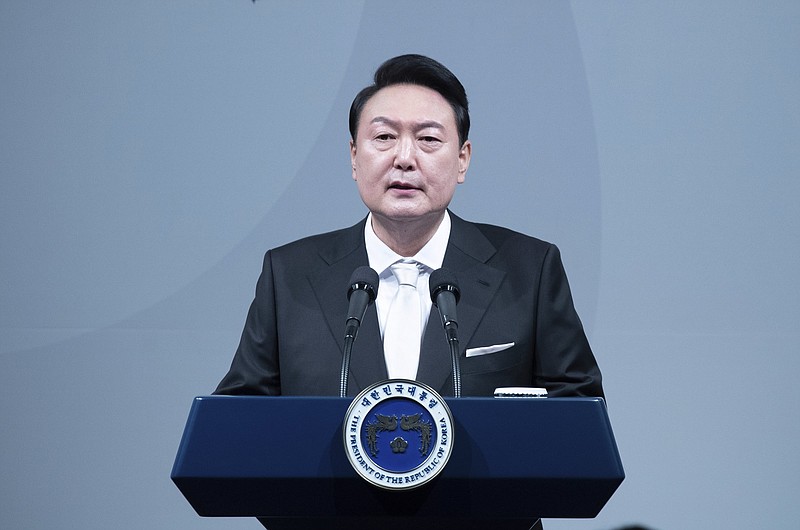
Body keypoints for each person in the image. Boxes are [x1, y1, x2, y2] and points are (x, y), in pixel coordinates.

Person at [215, 54, 602, 399]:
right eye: (384, 137)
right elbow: (235, 424)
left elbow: (580, 414)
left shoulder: (529, 270)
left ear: (463, 160)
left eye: (428, 139)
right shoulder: (290, 276)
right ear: (354, 156)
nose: (404, 158)